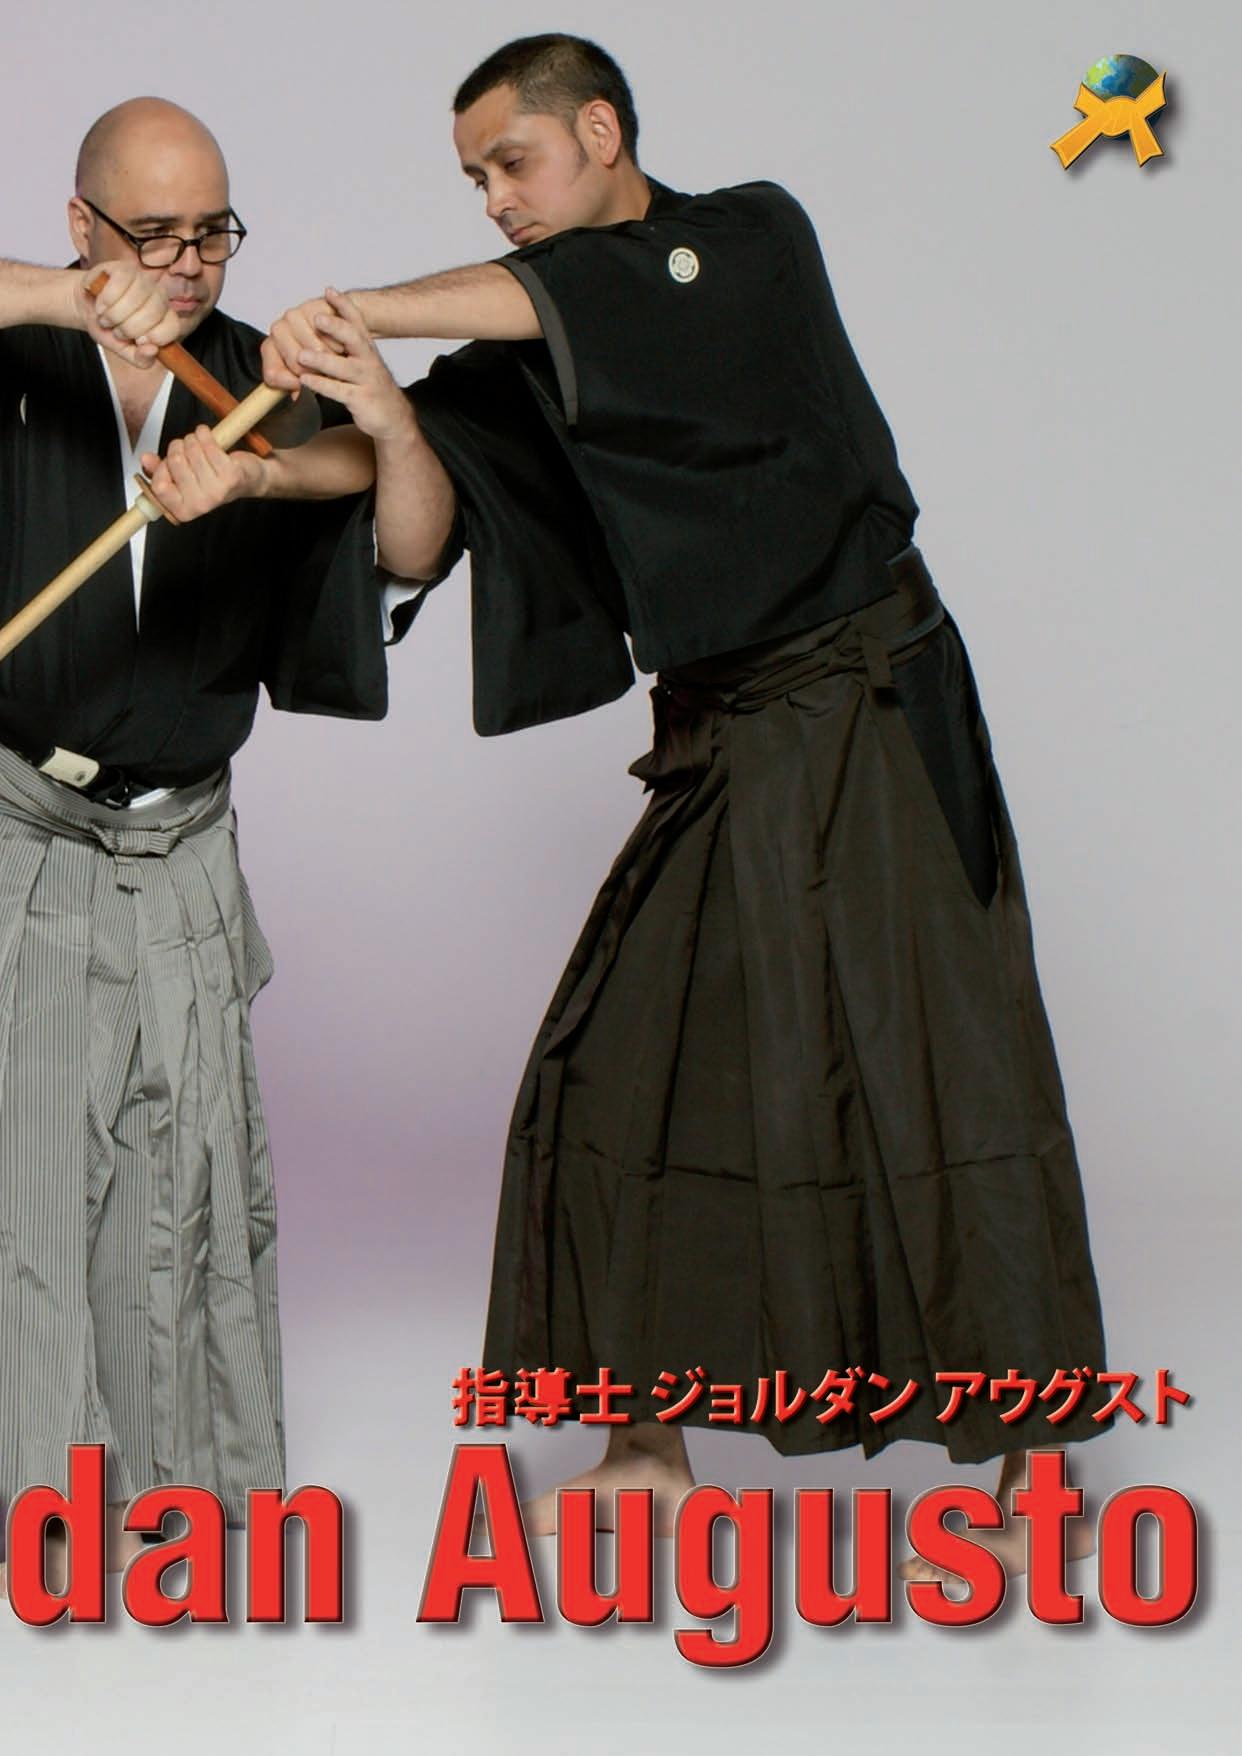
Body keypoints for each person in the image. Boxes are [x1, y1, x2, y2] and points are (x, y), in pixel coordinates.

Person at [264, 32, 1113, 1583]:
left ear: (599, 131)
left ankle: (1030, 1466)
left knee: (937, 1063)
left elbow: (578, 295)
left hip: (866, 698)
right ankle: (646, 1449)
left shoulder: (743, 241)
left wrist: (362, 306)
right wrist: (315, 442)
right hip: (724, 729)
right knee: (615, 1064)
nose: (493, 196)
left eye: (510, 163)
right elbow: (418, 505)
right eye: (472, 178)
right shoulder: (529, 333)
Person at [0, 96, 421, 1599]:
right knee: (30, 1177)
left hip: (181, 837)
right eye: (154, 236)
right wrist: (59, 300)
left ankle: (177, 1489)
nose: (187, 266)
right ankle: (39, 1495)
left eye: (213, 234)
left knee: (180, 1171)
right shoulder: (28, 344)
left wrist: (285, 459)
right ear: (82, 225)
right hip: (25, 829)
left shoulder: (248, 376)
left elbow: (394, 512)